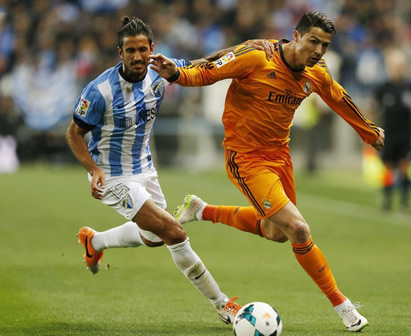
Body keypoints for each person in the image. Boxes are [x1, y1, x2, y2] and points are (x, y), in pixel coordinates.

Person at [150, 11, 384, 332]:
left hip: (280, 156)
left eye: (325, 45)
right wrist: (177, 73)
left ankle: (204, 211)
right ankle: (343, 305)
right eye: (313, 41)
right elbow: (207, 72)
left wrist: (367, 131)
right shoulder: (257, 56)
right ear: (297, 36)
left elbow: (337, 97)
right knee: (299, 230)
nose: (317, 50)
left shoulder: (316, 72)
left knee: (278, 233)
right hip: (245, 158)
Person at [65, 16, 274, 325]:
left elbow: (203, 63)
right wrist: (93, 169)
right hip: (112, 176)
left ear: (152, 48)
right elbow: (73, 133)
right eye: (129, 51)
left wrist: (243, 49)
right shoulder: (100, 92)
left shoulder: (159, 70)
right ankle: (223, 305)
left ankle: (93, 242)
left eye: (141, 49)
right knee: (174, 232)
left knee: (153, 237)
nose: (137, 57)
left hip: (144, 169)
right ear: (119, 53)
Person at [373, 50, 411, 212]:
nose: (397, 69)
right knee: (387, 168)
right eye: (394, 66)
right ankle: (387, 201)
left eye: (399, 66)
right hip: (388, 135)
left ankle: (404, 203)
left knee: (404, 167)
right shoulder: (383, 88)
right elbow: (373, 108)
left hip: (406, 134)